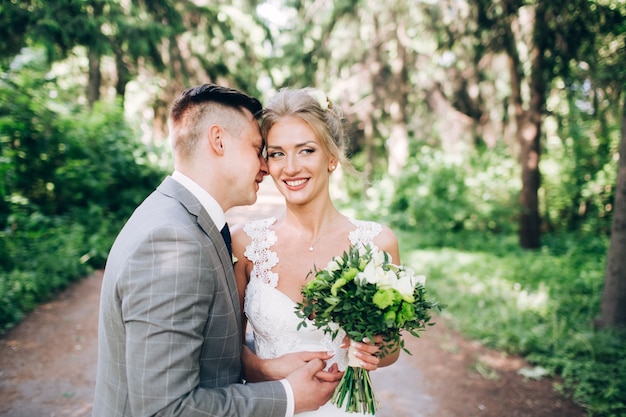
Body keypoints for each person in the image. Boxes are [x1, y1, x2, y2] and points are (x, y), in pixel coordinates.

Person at [92, 83, 342, 417]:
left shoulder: (179, 218)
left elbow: (204, 346)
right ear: (218, 140)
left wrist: (266, 368)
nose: (268, 168)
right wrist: (288, 396)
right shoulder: (173, 241)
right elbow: (164, 409)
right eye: (259, 150)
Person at [232, 87, 401, 416]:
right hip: (270, 406)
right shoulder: (245, 244)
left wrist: (375, 352)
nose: (290, 167)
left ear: (332, 157)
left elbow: (391, 346)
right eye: (277, 153)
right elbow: (225, 350)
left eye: (306, 150)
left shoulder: (378, 243)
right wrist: (265, 370)